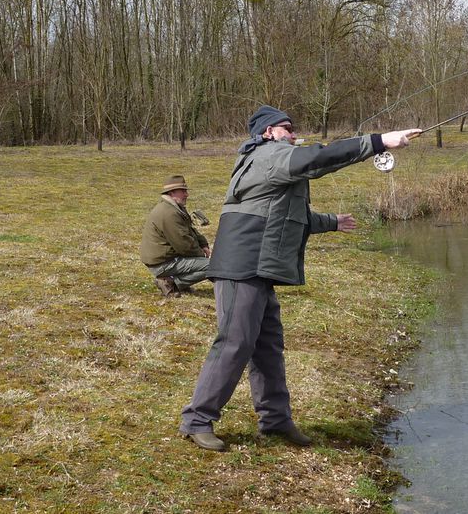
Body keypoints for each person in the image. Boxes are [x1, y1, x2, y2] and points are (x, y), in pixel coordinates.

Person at [179, 105, 421, 451]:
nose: (293, 134)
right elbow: (318, 159)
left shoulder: (273, 163)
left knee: (267, 347)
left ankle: (275, 421)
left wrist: (332, 222)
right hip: (241, 266)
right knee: (234, 343)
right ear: (267, 133)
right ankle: (197, 420)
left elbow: (287, 216)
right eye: (286, 128)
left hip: (259, 268)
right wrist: (381, 141)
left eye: (293, 129)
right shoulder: (268, 155)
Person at [140, 175, 212, 297]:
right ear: (172, 192)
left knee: (208, 263)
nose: (187, 194)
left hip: (166, 258)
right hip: (163, 263)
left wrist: (203, 244)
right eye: (183, 191)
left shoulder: (174, 208)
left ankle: (175, 282)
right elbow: (184, 245)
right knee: (213, 266)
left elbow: (190, 229)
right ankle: (172, 283)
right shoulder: (169, 213)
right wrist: (202, 255)